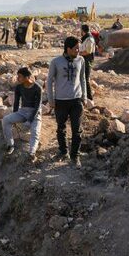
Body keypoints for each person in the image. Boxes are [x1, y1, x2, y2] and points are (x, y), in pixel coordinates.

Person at [47, 36, 87, 169]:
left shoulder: (81, 60)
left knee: (77, 130)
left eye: (79, 48)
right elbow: (49, 81)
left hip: (76, 100)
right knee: (61, 128)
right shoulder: (56, 62)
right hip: (61, 101)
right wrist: (51, 100)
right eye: (76, 48)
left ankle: (75, 155)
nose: (78, 50)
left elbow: (83, 79)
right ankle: (63, 152)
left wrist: (84, 97)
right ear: (68, 49)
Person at [1, 67, 43, 161]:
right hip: (23, 111)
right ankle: (10, 145)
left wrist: (30, 120)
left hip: (35, 113)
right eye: (17, 76)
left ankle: (32, 153)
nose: (17, 78)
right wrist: (15, 115)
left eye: (20, 76)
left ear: (27, 77)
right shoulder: (19, 87)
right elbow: (16, 102)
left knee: (35, 133)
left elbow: (37, 106)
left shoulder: (37, 88)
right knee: (6, 120)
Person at [80, 24, 95, 101]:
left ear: (83, 31)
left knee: (86, 79)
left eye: (81, 30)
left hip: (87, 61)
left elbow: (88, 52)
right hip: (84, 60)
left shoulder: (89, 39)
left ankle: (89, 97)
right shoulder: (85, 38)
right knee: (82, 78)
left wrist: (79, 54)